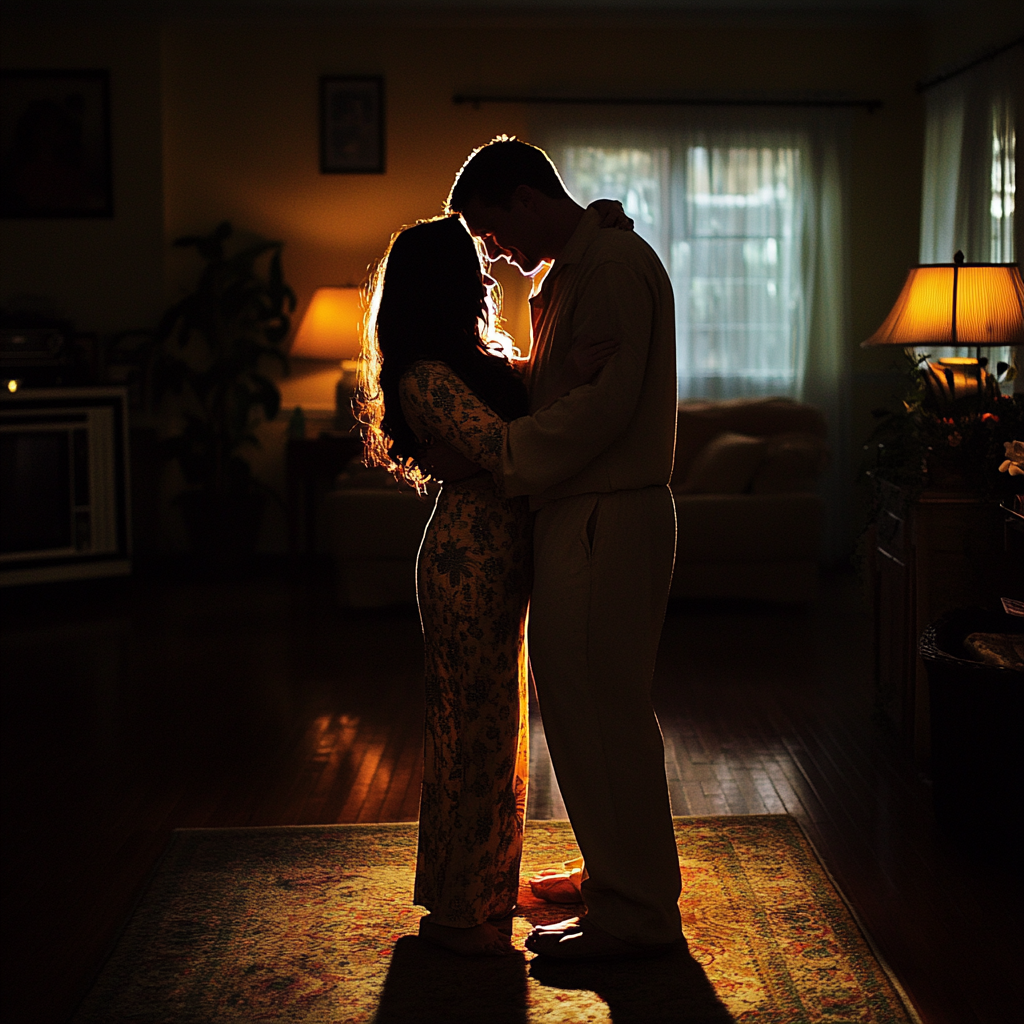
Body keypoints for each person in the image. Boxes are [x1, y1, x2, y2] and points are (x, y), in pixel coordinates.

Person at [443, 137, 684, 960]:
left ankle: (636, 914)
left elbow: (603, 408)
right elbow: (574, 393)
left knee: (602, 714)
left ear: (523, 197)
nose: (495, 254)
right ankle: (618, 876)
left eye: (491, 231)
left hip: (602, 516)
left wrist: (506, 449)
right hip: (589, 515)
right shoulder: (579, 269)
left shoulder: (609, 268)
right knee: (593, 712)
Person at [358, 214, 616, 958]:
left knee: (496, 731)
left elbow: (512, 426)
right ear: (441, 282)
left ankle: (483, 891)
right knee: (470, 733)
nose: (486, 276)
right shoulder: (423, 376)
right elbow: (503, 448)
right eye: (471, 264)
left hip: (497, 558)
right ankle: (458, 903)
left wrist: (565, 367)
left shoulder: (469, 361)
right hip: (465, 563)